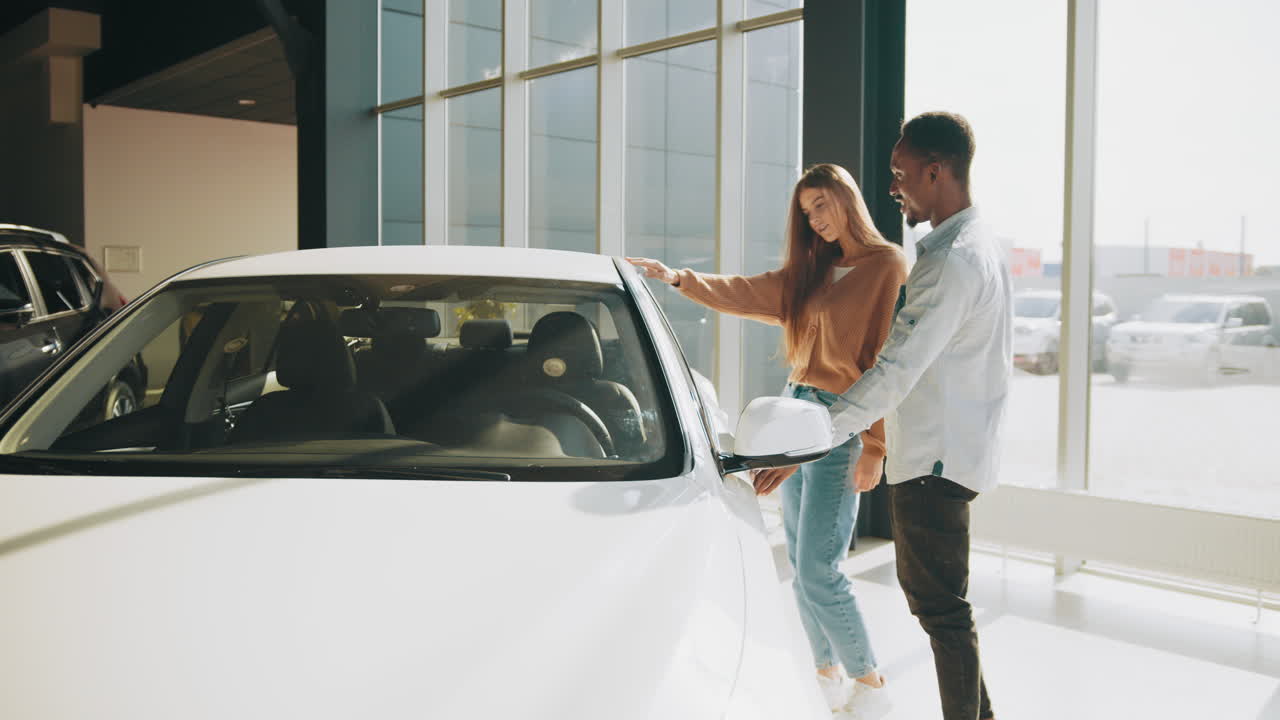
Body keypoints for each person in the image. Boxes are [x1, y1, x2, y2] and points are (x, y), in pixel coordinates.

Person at [627, 163, 907, 717]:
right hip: (792, 412)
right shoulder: (811, 269)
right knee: (800, 563)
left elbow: (884, 361)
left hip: (839, 421)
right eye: (807, 213)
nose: (816, 220)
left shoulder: (887, 265)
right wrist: (680, 279)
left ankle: (870, 682)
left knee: (819, 567)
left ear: (846, 199)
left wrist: (875, 446)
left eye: (821, 205)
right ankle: (825, 672)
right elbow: (748, 291)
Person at [827, 112, 1011, 720]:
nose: (893, 187)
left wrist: (817, 430)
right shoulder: (977, 246)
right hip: (951, 450)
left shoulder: (952, 261)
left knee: (941, 611)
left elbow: (897, 370)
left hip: (933, 457)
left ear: (936, 172)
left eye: (900, 173)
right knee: (944, 607)